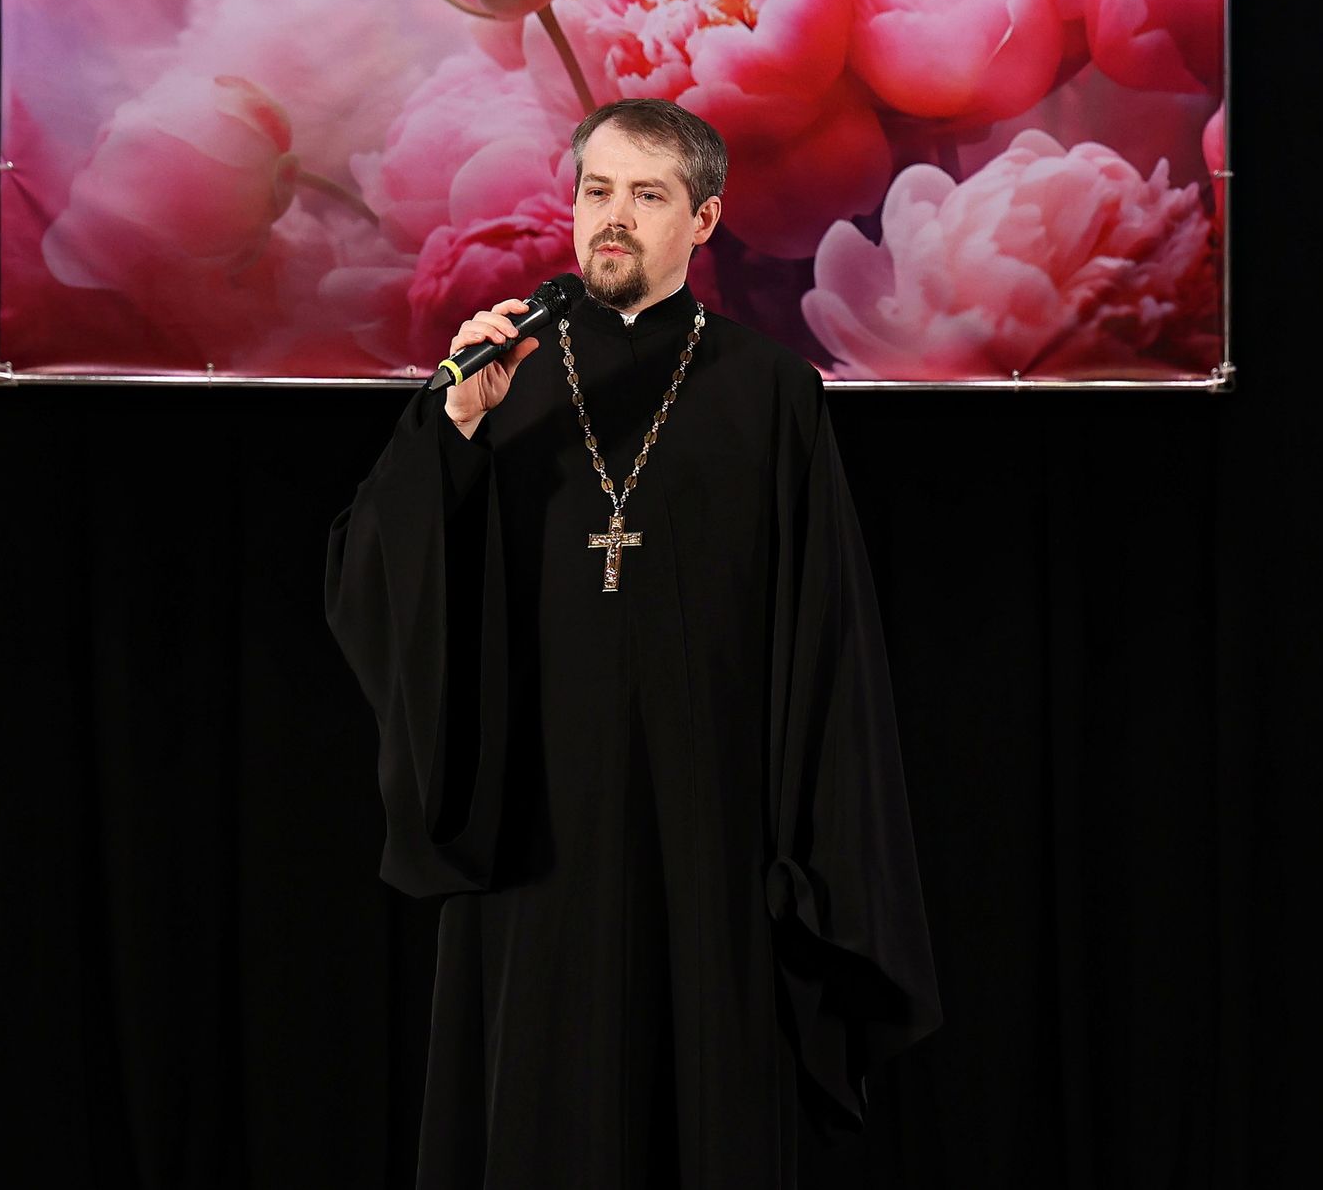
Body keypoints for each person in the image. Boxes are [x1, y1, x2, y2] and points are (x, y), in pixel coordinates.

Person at [326, 98, 939, 1188]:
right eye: (596, 191)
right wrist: (449, 431)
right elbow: (373, 578)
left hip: (707, 843)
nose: (612, 217)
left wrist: (805, 866)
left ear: (703, 221)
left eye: (647, 195)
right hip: (534, 833)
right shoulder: (501, 383)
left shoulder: (771, 394)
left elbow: (826, 645)